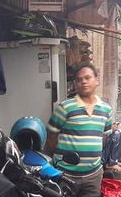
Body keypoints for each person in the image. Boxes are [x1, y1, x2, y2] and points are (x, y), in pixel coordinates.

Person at [46, 64, 113, 197]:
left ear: (96, 80)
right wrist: (62, 159)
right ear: (75, 84)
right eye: (79, 79)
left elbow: (104, 137)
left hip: (93, 175)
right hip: (66, 174)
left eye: (87, 78)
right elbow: (51, 137)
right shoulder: (65, 108)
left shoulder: (106, 110)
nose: (83, 81)